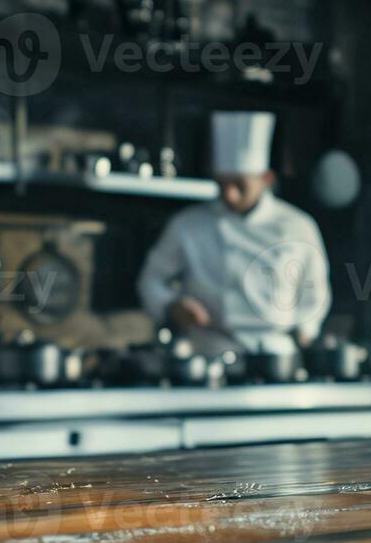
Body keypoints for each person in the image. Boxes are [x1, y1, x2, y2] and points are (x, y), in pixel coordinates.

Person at [136, 111, 331, 358]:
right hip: (209, 350)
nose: (229, 195)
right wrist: (172, 306)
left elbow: (315, 292)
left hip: (276, 354)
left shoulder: (298, 225)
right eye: (222, 184)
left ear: (266, 179)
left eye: (239, 185)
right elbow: (151, 279)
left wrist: (306, 328)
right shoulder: (187, 224)